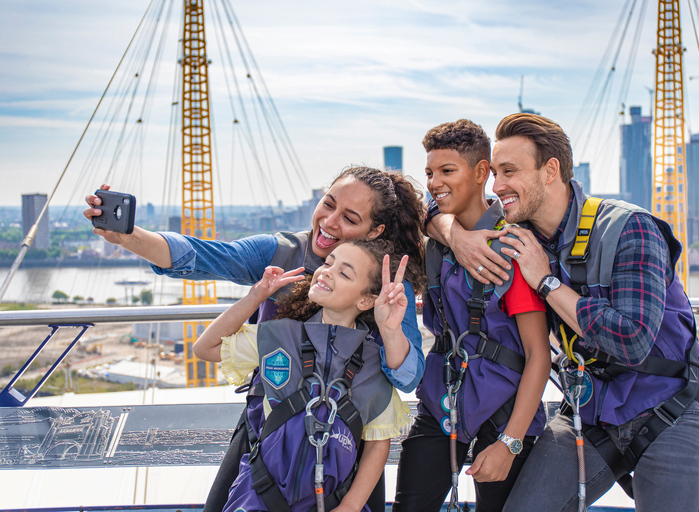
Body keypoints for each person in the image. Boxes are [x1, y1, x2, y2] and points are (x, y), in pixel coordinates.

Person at [83, 166, 426, 512]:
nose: (331, 221)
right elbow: (206, 255)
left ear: (375, 230)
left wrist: (389, 326)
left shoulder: (385, 283)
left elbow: (406, 376)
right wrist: (130, 237)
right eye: (328, 204)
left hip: (346, 439)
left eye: (350, 218)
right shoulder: (282, 253)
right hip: (271, 427)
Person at [429, 113, 699, 512]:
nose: (497, 186)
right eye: (494, 173)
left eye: (509, 171)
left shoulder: (629, 228)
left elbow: (632, 342)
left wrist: (546, 283)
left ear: (551, 170)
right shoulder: (521, 233)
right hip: (591, 408)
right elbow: (428, 207)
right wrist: (455, 235)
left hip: (667, 405)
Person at [393, 120, 550, 512]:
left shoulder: (512, 245)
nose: (434, 182)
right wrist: (453, 234)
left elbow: (538, 355)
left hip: (506, 411)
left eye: (448, 171)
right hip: (443, 401)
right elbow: (413, 210)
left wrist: (510, 443)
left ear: (482, 172)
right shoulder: (434, 245)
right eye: (430, 172)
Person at [194, 239, 412, 512]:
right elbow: (205, 347)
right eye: (328, 262)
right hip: (258, 497)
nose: (327, 271)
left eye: (344, 273)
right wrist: (256, 296)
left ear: (366, 300)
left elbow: (377, 445)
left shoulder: (372, 363)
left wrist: (351, 506)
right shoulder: (278, 336)